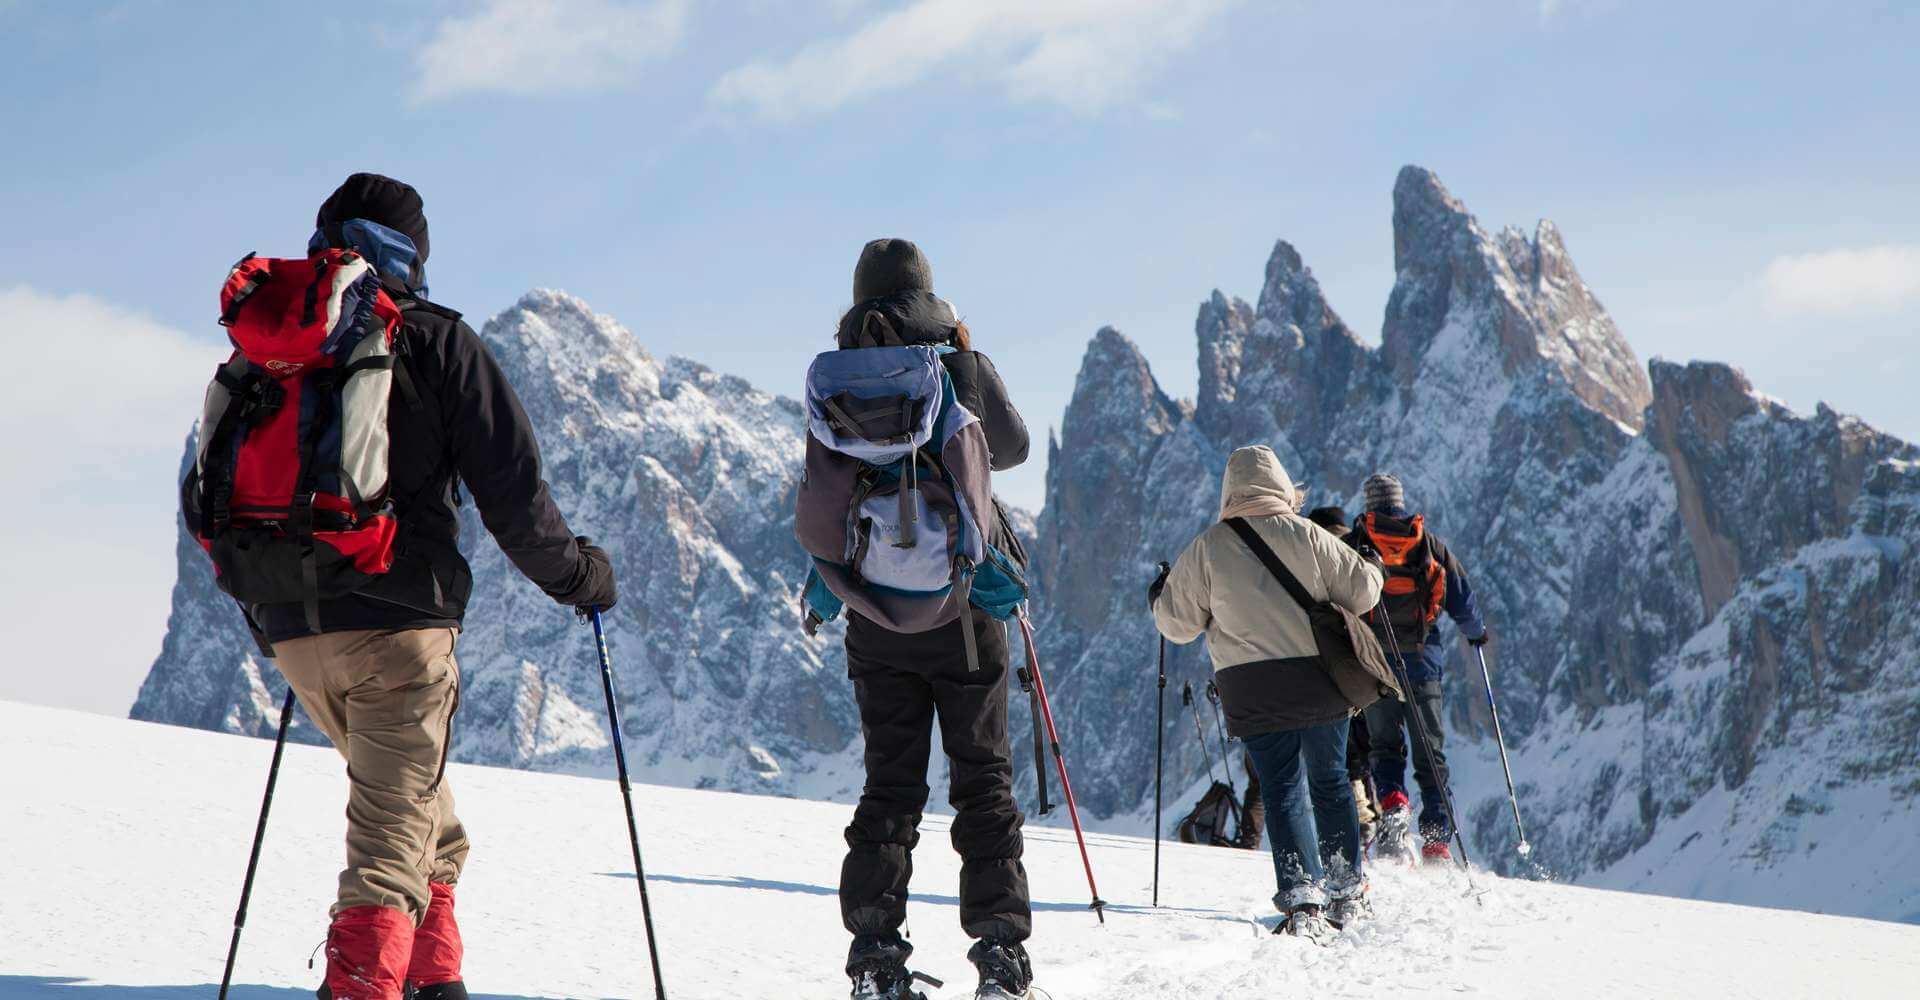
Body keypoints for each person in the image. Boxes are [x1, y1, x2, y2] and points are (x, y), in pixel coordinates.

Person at [190, 174, 618, 1000]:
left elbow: (215, 499)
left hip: (291, 633)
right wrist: (582, 579)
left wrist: (275, 613)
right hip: (396, 632)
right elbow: (516, 500)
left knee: (426, 818)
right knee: (388, 848)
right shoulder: (432, 340)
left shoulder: (268, 352)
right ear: (412, 253)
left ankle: (435, 983)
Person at [819, 240, 1035, 1000]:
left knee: (889, 787)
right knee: (983, 782)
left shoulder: (836, 380)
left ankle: (876, 960)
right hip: (965, 609)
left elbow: (826, 500)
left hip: (875, 616)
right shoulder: (951, 367)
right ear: (927, 296)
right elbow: (1011, 449)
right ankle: (1001, 959)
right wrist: (968, 364)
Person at [1151, 446, 1384, 938]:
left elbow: (1176, 626)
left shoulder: (1207, 547)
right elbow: (1364, 592)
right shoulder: (1311, 536)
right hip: (1319, 682)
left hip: (1252, 689)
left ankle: (1302, 900)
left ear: (1229, 491)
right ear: (1281, 485)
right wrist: (1370, 561)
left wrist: (1160, 594)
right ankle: (1345, 889)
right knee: (1330, 782)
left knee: (1280, 789)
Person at [1350, 473, 1489, 864]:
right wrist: (1477, 634)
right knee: (1431, 753)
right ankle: (1435, 839)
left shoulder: (1356, 544)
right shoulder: (1428, 544)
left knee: (1384, 747)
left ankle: (1393, 810)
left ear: (1369, 504)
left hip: (1373, 664)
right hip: (1423, 663)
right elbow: (1461, 598)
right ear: (1399, 502)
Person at [1304, 505, 1379, 847]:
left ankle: (1357, 818)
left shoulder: (1308, 553)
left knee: (1338, 748)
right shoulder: (1351, 556)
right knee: (1361, 741)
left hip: (1318, 662)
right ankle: (1370, 810)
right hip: (1359, 662)